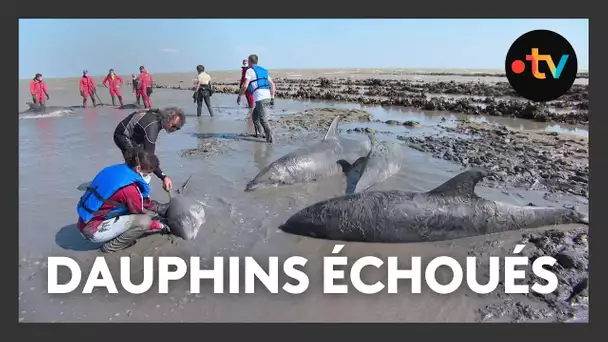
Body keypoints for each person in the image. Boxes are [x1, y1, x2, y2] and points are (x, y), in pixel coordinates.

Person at [76, 149, 172, 253]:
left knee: (130, 209)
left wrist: (159, 208)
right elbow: (139, 212)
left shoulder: (113, 170)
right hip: (92, 231)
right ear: (138, 169)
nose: (148, 176)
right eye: (148, 173)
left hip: (84, 221)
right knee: (144, 221)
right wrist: (161, 226)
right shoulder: (130, 189)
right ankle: (110, 247)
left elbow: (138, 201)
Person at [113, 107, 186, 191]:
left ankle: (135, 189)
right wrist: (163, 177)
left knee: (141, 164)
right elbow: (149, 159)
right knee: (137, 164)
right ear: (167, 118)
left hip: (135, 136)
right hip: (122, 135)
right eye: (173, 126)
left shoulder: (159, 117)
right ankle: (129, 192)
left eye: (177, 128)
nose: (173, 129)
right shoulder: (152, 126)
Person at [237, 54, 276, 143]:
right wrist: (272, 98)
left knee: (262, 118)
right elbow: (272, 84)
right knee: (255, 117)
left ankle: (270, 138)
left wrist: (239, 95)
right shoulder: (263, 71)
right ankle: (260, 134)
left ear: (250, 61)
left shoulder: (249, 71)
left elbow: (245, 85)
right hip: (267, 96)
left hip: (260, 98)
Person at [239, 59, 257, 135]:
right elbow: (243, 77)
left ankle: (252, 108)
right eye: (244, 62)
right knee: (248, 97)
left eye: (246, 62)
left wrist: (242, 84)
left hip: (248, 84)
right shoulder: (245, 69)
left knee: (250, 97)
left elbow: (245, 78)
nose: (245, 63)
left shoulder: (247, 69)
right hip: (247, 84)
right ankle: (251, 107)